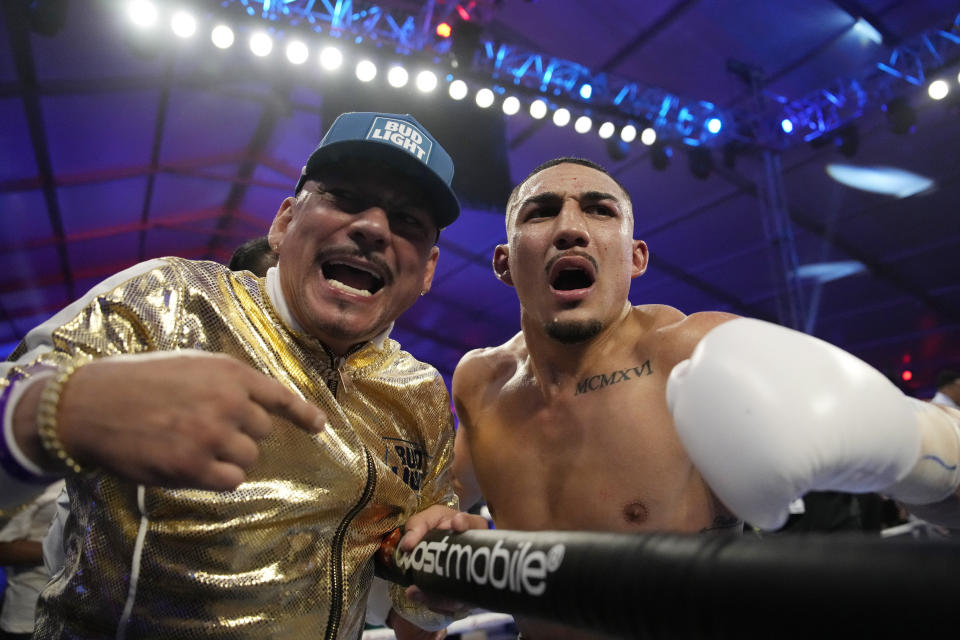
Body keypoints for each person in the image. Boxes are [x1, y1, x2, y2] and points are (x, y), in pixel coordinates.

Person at [0, 111, 485, 639]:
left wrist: (441, 580)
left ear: (430, 269)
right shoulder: (170, 301)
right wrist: (52, 413)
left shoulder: (422, 393)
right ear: (283, 223)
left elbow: (406, 596)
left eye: (407, 221)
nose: (372, 227)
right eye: (344, 197)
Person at [450, 157, 960, 639]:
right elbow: (429, 522)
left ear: (636, 257)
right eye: (540, 213)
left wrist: (909, 445)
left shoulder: (698, 350)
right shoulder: (480, 383)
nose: (569, 228)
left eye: (599, 209)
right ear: (504, 261)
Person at [0, 481, 63, 639]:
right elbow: (3, 548)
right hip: (29, 621)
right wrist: (69, 549)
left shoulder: (102, 474)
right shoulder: (33, 482)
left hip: (89, 619)